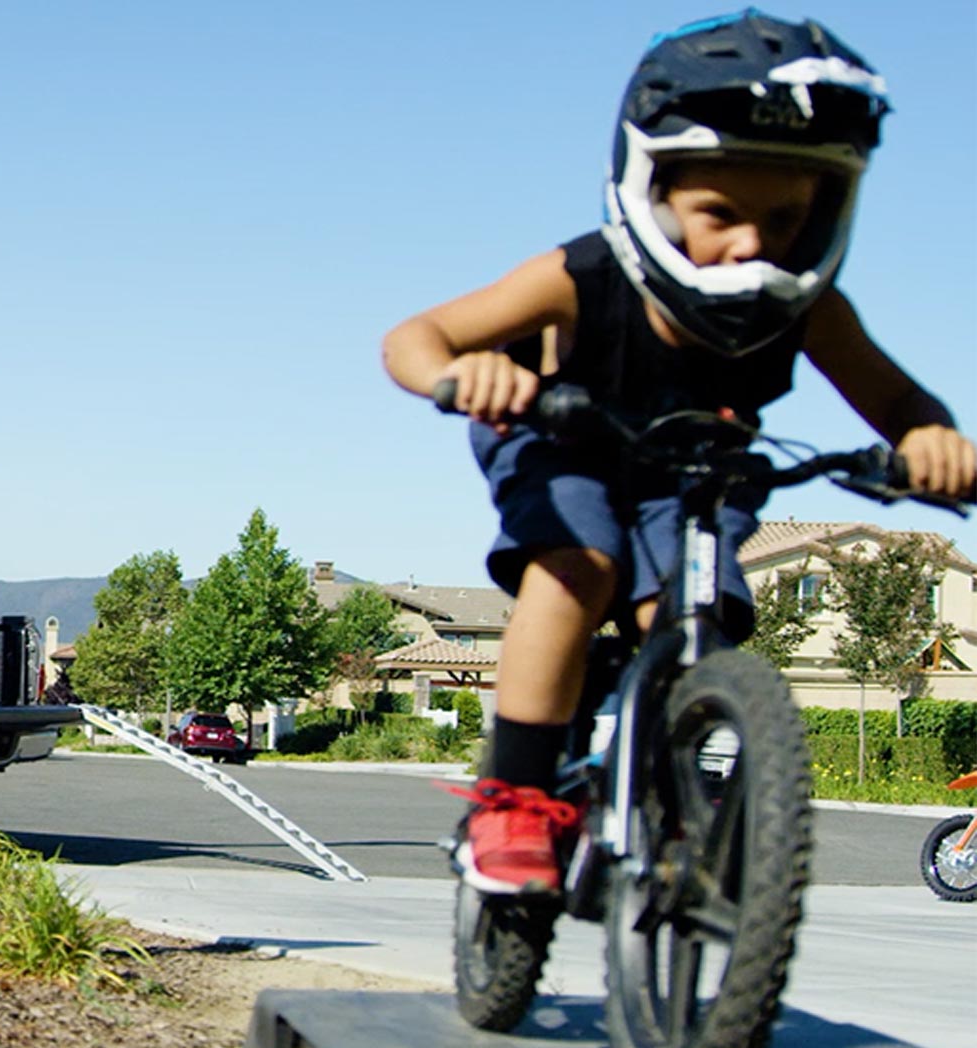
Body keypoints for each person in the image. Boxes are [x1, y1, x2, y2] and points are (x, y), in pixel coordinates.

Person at [381, 10, 972, 895]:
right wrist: (462, 375)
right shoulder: (580, 275)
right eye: (719, 213)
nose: (750, 241)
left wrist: (926, 436)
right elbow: (415, 336)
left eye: (783, 216)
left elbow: (893, 397)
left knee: (686, 616)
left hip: (694, 471)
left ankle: (669, 781)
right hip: (564, 445)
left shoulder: (807, 311)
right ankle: (510, 798)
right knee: (577, 569)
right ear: (649, 191)